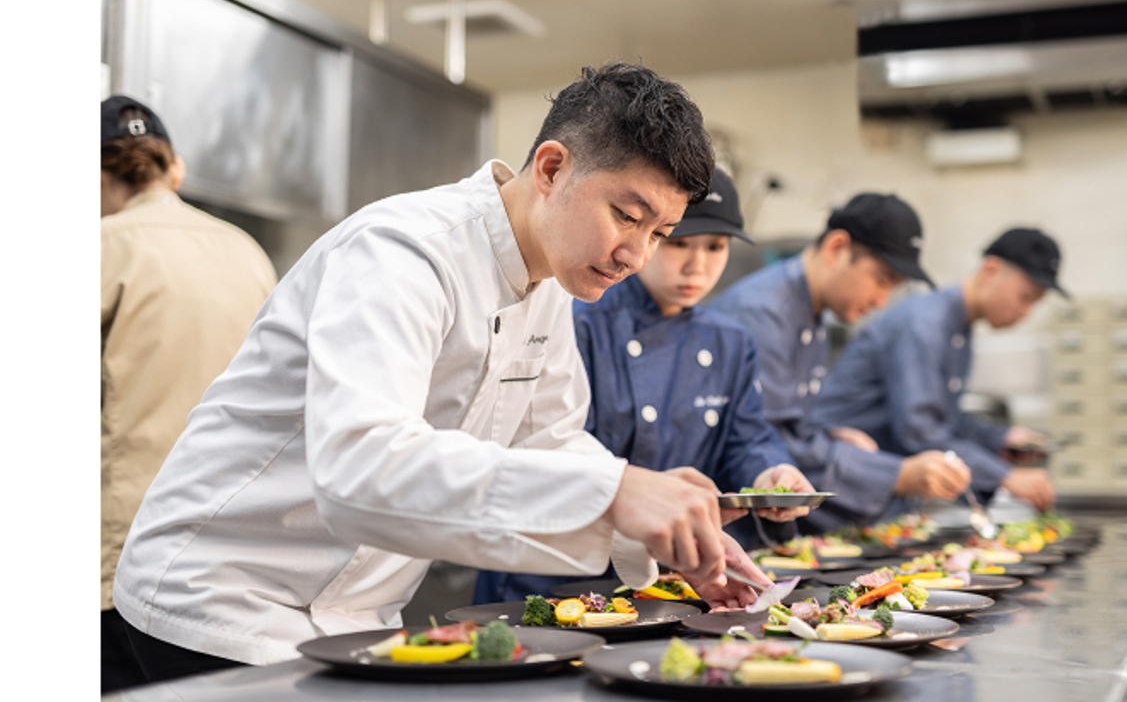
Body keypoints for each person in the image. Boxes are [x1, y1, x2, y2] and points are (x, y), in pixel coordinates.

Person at [111, 63, 773, 687]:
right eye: (627, 216)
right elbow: (360, 464)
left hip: (352, 618)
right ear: (550, 168)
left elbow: (549, 443)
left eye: (661, 232)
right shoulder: (402, 252)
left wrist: (658, 527)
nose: (637, 253)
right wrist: (614, 491)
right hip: (219, 597)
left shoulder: (551, 286)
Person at [472, 168, 815, 604]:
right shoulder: (580, 318)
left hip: (665, 572)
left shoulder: (730, 341)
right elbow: (549, 445)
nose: (698, 265)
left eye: (715, 247)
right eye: (679, 244)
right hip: (556, 571)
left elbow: (746, 438)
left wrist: (771, 473)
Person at [100, 96, 278, 694]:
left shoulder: (99, 246)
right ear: (174, 168)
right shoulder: (246, 251)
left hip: (116, 561)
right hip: (225, 565)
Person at [710, 193, 973, 531]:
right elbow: (767, 439)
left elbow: (787, 424)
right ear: (836, 248)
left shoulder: (813, 313)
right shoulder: (764, 313)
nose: (881, 302)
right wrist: (897, 475)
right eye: (881, 280)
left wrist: (831, 435)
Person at [809, 227, 1067, 511]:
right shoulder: (926, 324)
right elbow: (921, 432)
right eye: (1025, 297)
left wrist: (1001, 439)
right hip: (835, 485)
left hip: (876, 492)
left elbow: (945, 421)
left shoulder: (959, 329)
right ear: (991, 270)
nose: (1026, 313)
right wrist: (1005, 476)